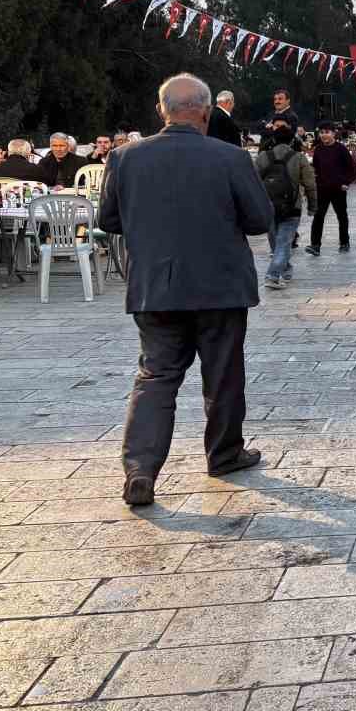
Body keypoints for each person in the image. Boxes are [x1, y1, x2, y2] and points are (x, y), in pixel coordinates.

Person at [98, 75, 271, 506]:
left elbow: (109, 220)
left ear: (162, 110)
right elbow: (259, 220)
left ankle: (140, 469)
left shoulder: (124, 158)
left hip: (155, 286)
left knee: (155, 376)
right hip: (220, 286)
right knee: (223, 374)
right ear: (207, 112)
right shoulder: (231, 157)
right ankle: (224, 454)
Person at [254, 123, 317, 289]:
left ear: (274, 140)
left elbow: (252, 182)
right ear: (291, 141)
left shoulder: (262, 157)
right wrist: (312, 206)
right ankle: (273, 276)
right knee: (284, 243)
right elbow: (310, 184)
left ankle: (286, 270)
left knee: (277, 242)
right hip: (292, 207)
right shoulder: (299, 158)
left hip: (268, 205)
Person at [306, 122, 356, 255]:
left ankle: (344, 242)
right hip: (322, 188)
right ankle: (315, 245)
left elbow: (352, 169)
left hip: (338, 188)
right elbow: (316, 168)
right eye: (322, 132)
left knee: (341, 216)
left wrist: (346, 182)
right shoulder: (318, 149)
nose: (324, 135)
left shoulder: (341, 149)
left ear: (334, 133)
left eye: (327, 132)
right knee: (318, 216)